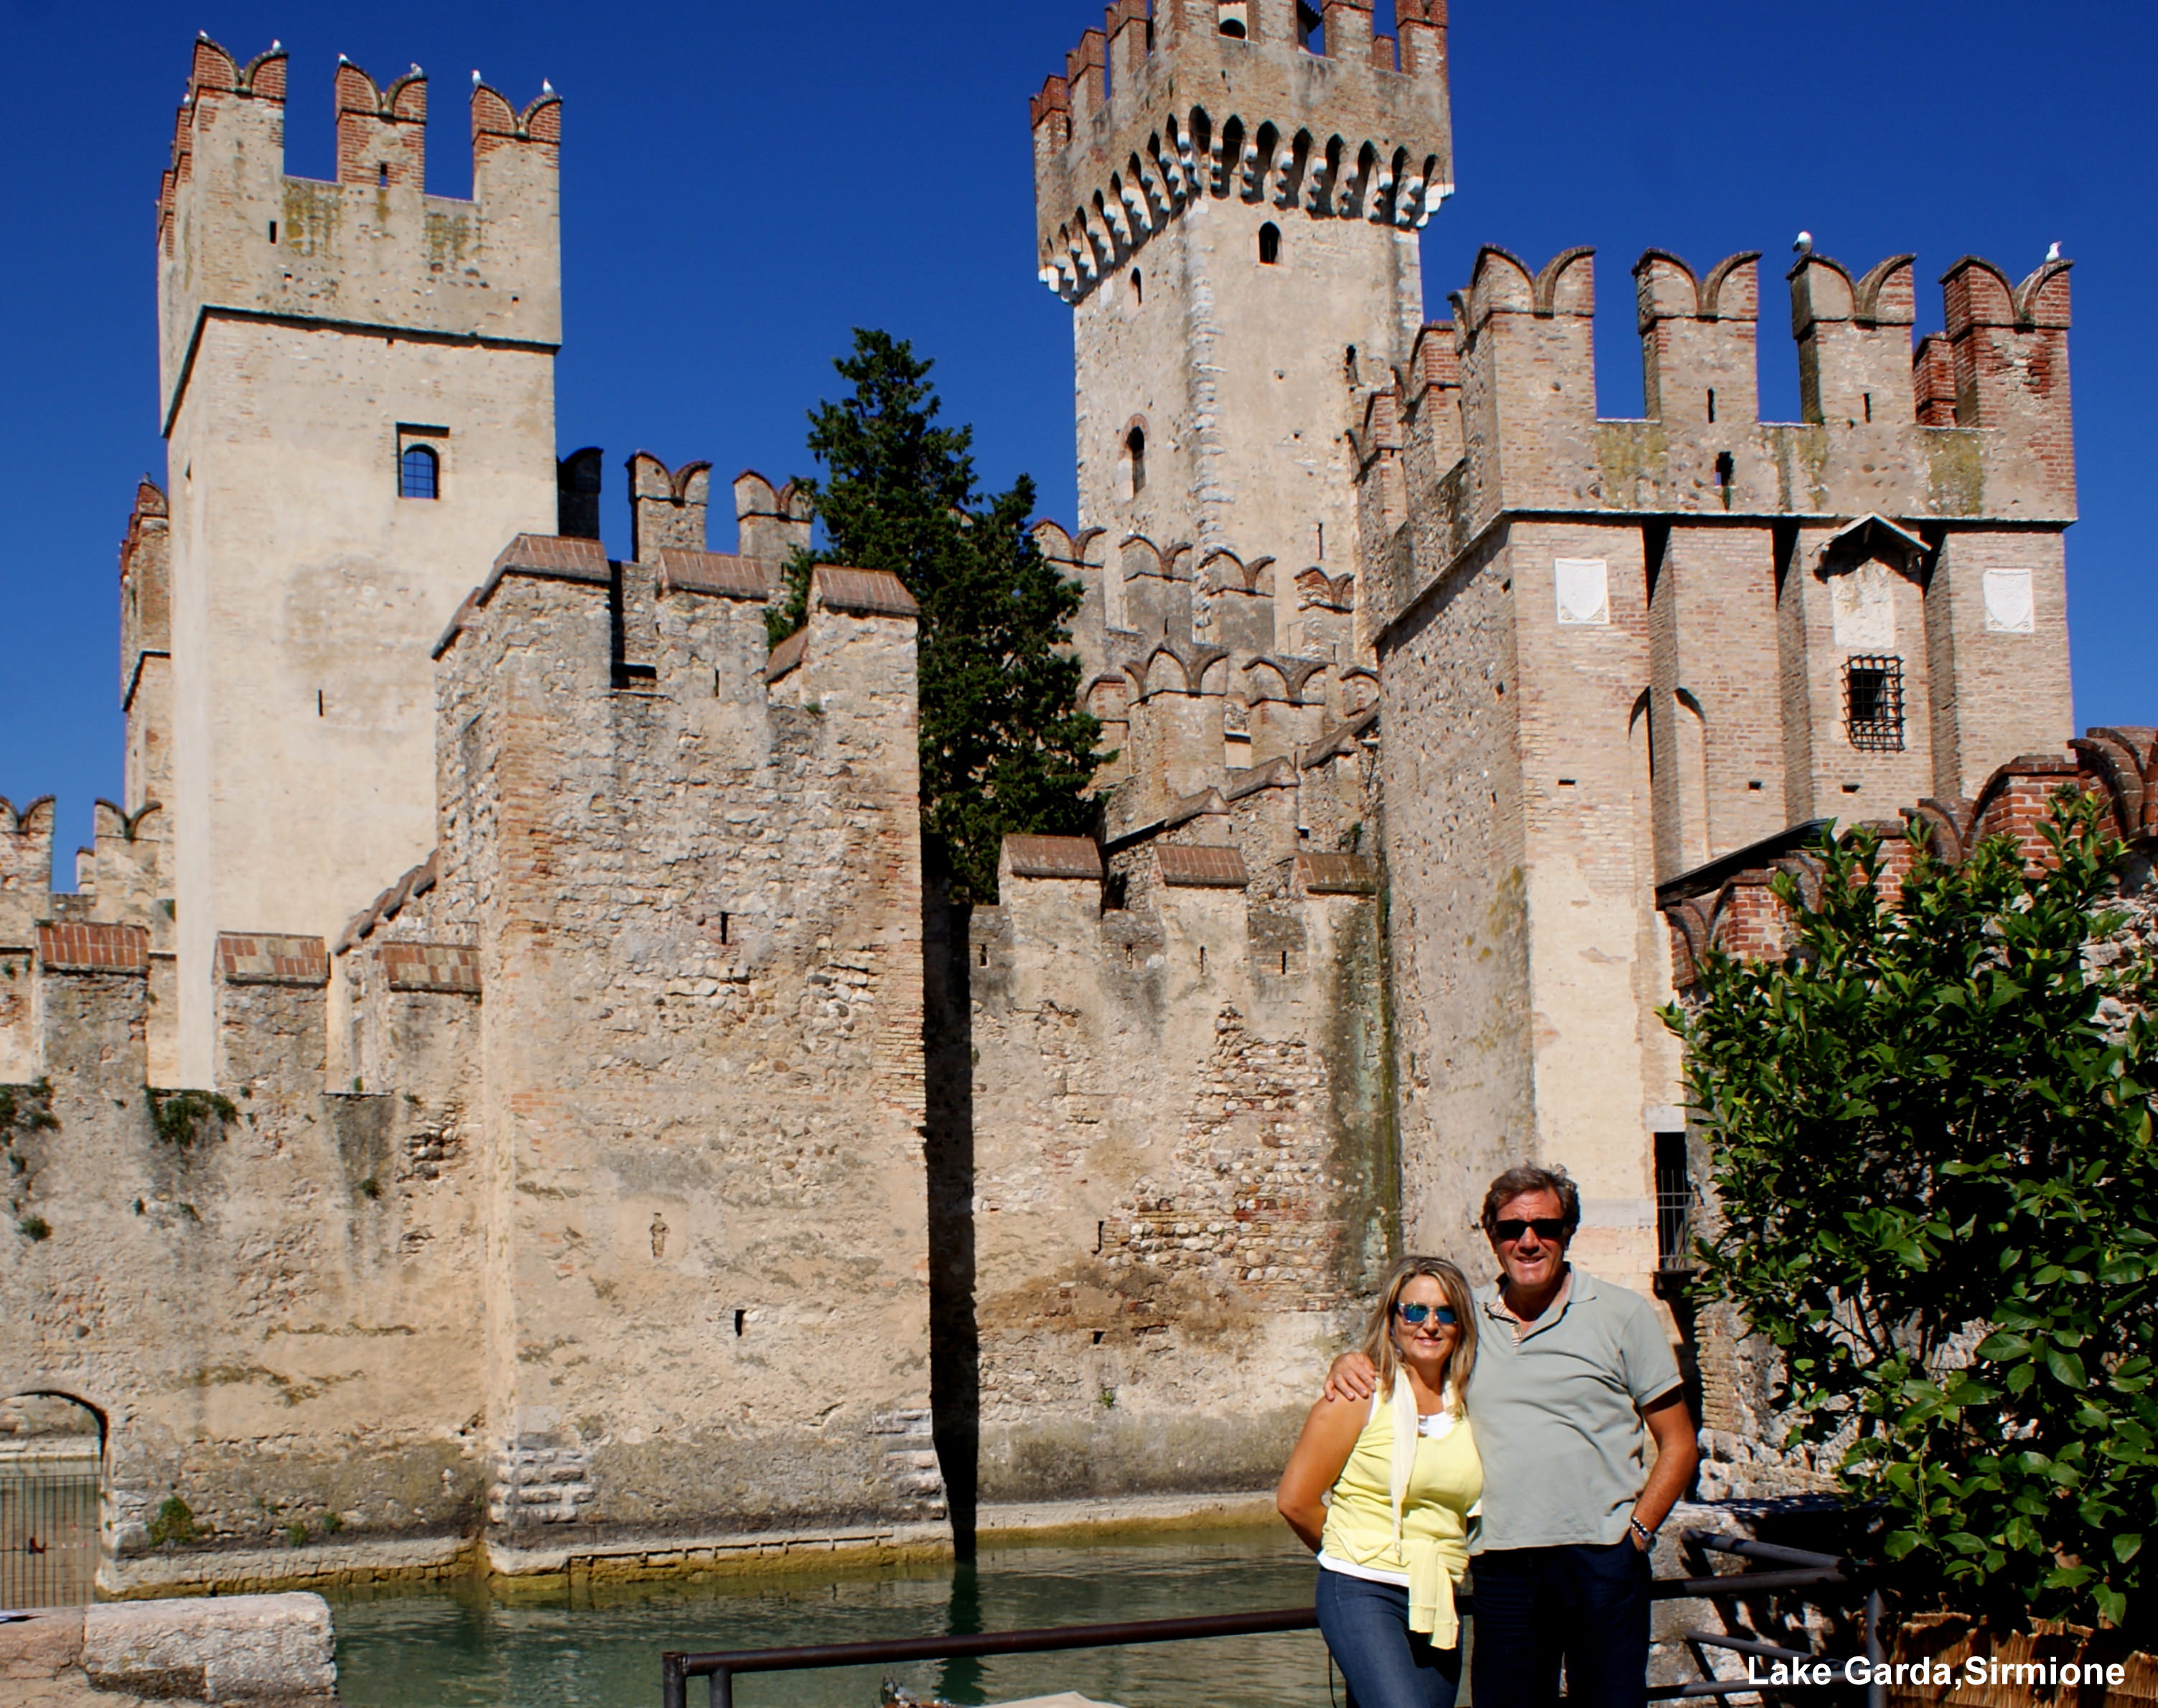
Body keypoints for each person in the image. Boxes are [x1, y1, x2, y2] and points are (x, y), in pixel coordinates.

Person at [1325, 1165, 1697, 1708]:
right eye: (1511, 1228)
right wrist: (1347, 1360)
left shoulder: (1623, 1314)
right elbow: (1406, 1352)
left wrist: (1636, 1533)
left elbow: (1680, 1441)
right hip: (1502, 1568)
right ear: (1492, 1236)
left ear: (1568, 1231)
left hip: (1602, 1560)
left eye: (1546, 1225)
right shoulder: (1465, 1318)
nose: (1529, 1240)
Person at [1277, 1256, 1482, 1708]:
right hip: (1363, 1586)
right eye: (1414, 1311)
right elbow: (1295, 1501)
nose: (1430, 1325)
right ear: (1392, 1321)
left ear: (1461, 1326)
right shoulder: (1360, 1394)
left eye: (1445, 1313)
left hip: (1438, 1594)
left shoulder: (1469, 1402)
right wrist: (1354, 1550)